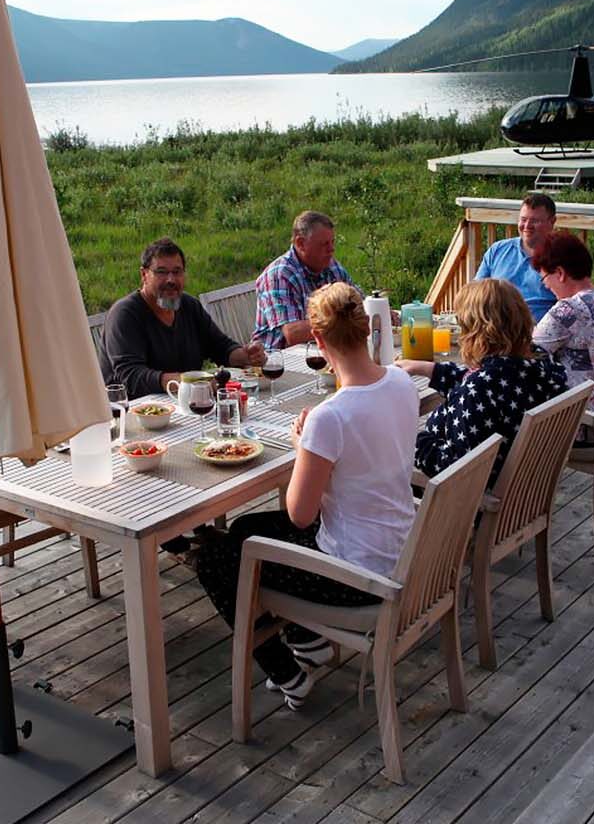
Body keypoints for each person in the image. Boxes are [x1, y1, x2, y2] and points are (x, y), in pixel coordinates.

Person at [192, 282, 421, 709]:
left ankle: (286, 671)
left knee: (213, 559)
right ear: (368, 327)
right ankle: (306, 636)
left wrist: (304, 450)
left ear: (318, 340)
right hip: (401, 547)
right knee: (245, 528)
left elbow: (299, 515)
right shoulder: (400, 382)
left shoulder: (329, 418)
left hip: (358, 579)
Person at [401, 278, 568, 485]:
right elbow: (491, 379)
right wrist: (429, 369)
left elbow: (455, 469)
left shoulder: (478, 390)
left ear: (475, 332)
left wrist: (411, 440)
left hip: (474, 501)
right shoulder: (541, 363)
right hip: (525, 482)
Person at [98, 237, 266, 399]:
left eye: (177, 272)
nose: (170, 280)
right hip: (133, 414)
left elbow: (220, 347)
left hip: (187, 405)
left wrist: (247, 356)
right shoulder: (125, 314)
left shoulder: (189, 306)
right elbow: (131, 376)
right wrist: (182, 381)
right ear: (144, 275)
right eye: (161, 272)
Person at [531, 230, 594, 416]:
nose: (545, 285)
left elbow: (524, 351)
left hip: (584, 422)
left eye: (544, 278)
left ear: (560, 273)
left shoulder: (569, 310)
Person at [252, 210, 357, 349]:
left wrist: (378, 310)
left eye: (332, 242)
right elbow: (293, 333)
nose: (331, 249)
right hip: (279, 360)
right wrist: (343, 321)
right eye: (324, 244)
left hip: (320, 351)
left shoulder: (331, 266)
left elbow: (358, 303)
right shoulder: (280, 275)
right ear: (300, 243)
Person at [475, 192, 557, 322]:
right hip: (494, 329)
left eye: (535, 221)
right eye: (523, 219)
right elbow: (475, 293)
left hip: (538, 335)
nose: (527, 226)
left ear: (552, 222)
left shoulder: (561, 257)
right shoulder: (498, 250)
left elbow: (570, 305)